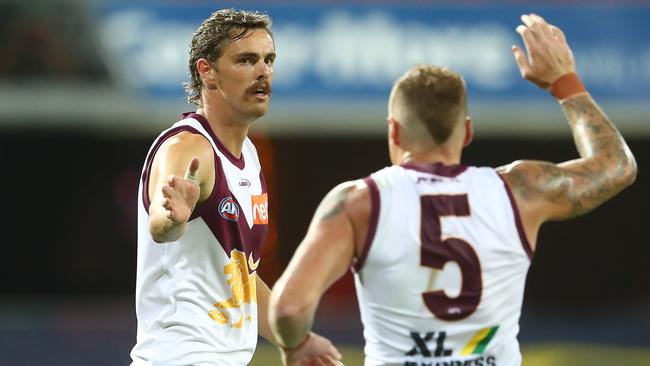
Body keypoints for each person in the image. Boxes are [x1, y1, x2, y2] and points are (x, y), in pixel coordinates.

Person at [269, 13, 637, 366]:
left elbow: (289, 308)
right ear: (468, 131)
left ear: (394, 130)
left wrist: (297, 347)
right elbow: (616, 166)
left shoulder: (359, 201)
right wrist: (565, 81)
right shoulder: (521, 190)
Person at [130, 9, 341, 366]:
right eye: (246, 60)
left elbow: (243, 278)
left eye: (268, 60)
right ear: (206, 72)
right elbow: (161, 225)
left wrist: (294, 340)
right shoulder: (188, 147)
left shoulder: (250, 155)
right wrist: (172, 217)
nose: (263, 72)